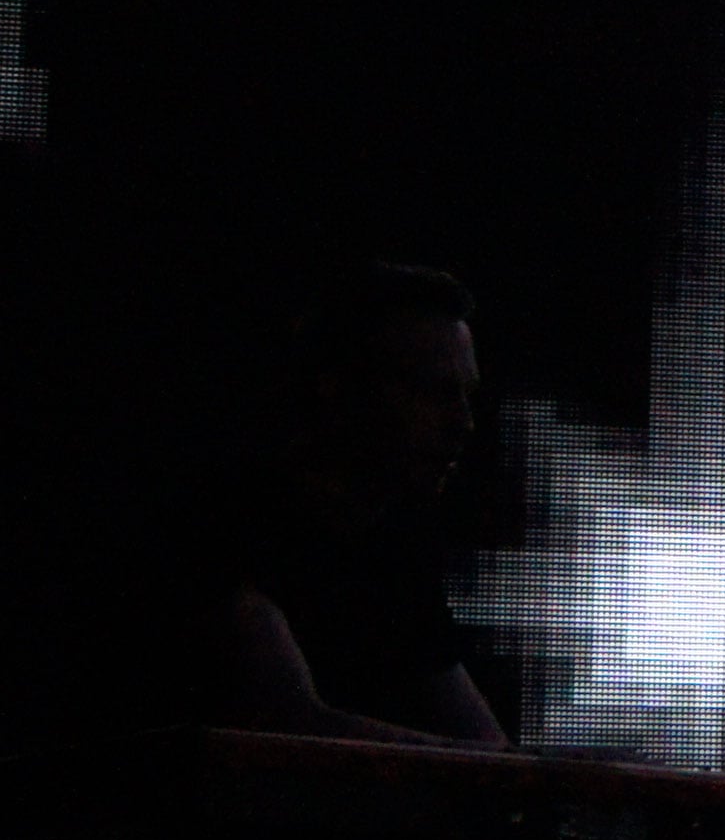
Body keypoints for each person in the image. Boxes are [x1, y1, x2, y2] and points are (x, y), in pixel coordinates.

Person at [181, 261, 511, 747]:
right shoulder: (221, 520)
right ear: (336, 387)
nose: (464, 423)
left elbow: (484, 747)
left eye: (466, 396)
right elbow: (284, 725)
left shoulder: (395, 550)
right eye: (433, 392)